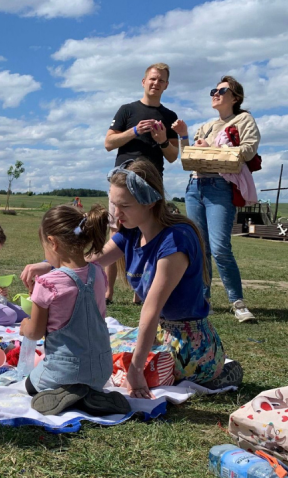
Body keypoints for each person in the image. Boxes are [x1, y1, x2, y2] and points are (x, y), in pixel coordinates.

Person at [22, 158, 241, 398]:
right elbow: (88, 260)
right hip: (158, 334)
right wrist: (48, 265)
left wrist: (136, 369)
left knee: (120, 368)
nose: (117, 214)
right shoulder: (131, 234)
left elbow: (151, 308)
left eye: (124, 205)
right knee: (99, 353)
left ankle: (219, 371)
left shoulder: (176, 239)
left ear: (150, 201)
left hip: (189, 342)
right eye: (114, 204)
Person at [19, 204, 130, 417]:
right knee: (84, 376)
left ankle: (69, 391)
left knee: (30, 385)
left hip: (64, 369)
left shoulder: (47, 283)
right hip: (101, 370)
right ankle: (89, 395)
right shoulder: (99, 273)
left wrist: (25, 326)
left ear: (52, 242)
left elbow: (35, 332)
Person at [172, 75, 260, 323]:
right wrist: (184, 136)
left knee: (220, 247)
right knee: (200, 249)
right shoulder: (207, 126)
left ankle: (237, 302)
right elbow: (188, 158)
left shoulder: (244, 120)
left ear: (235, 97)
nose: (215, 94)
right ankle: (203, 300)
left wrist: (211, 149)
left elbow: (248, 150)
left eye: (222, 91)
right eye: (213, 90)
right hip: (194, 186)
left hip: (220, 187)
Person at [104, 62, 179, 304]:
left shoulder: (169, 117)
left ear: (166, 85)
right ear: (144, 82)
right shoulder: (127, 110)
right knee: (116, 232)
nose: (156, 83)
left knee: (149, 234)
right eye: (153, 79)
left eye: (161, 80)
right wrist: (135, 131)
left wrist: (162, 140)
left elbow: (173, 156)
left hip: (152, 183)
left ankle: (141, 291)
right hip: (123, 179)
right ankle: (108, 292)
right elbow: (108, 143)